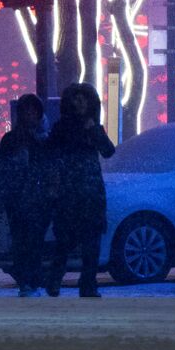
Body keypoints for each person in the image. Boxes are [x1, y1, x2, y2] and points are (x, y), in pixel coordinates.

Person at [44, 83, 115, 298]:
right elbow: (52, 156)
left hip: (91, 193)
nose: (80, 102)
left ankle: (88, 284)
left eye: (84, 98)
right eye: (76, 98)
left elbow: (108, 151)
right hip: (70, 192)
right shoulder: (61, 128)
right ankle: (55, 280)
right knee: (64, 240)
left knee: (91, 242)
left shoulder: (94, 127)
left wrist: (93, 129)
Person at [0, 94, 51, 296]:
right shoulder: (11, 140)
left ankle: (31, 279)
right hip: (17, 198)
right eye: (26, 110)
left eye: (33, 110)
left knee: (34, 239)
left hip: (39, 197)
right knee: (22, 239)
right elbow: (0, 168)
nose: (30, 114)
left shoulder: (46, 139)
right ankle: (27, 280)